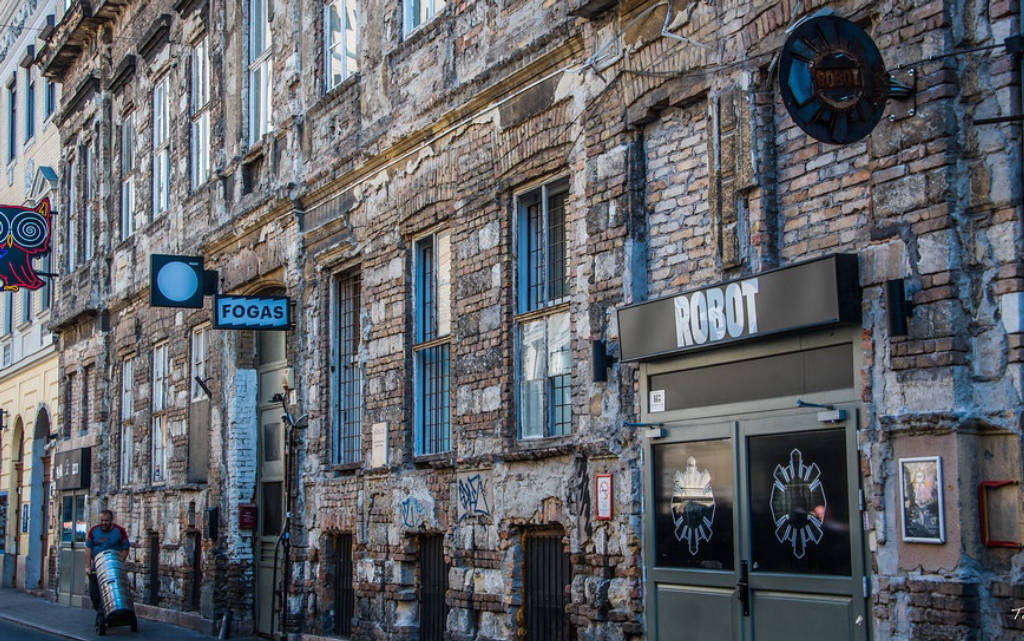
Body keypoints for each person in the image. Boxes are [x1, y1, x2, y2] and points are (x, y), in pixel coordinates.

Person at [85, 509, 130, 625]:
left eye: (106, 521)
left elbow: (125, 548)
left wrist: (119, 563)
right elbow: (88, 548)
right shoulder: (93, 531)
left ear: (111, 520)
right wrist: (87, 566)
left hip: (113, 568)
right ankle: (101, 611)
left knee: (112, 592)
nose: (104, 523)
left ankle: (107, 614)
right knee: (94, 593)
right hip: (97, 567)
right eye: (102, 520)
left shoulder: (119, 531)